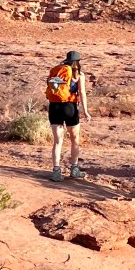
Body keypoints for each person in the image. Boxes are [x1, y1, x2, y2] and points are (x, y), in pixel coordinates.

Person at [45, 49, 89, 180]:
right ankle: (74, 169)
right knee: (74, 139)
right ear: (77, 61)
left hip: (55, 106)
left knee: (57, 141)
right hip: (70, 107)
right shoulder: (79, 75)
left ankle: (56, 171)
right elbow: (82, 93)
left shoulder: (57, 72)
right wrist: (85, 111)